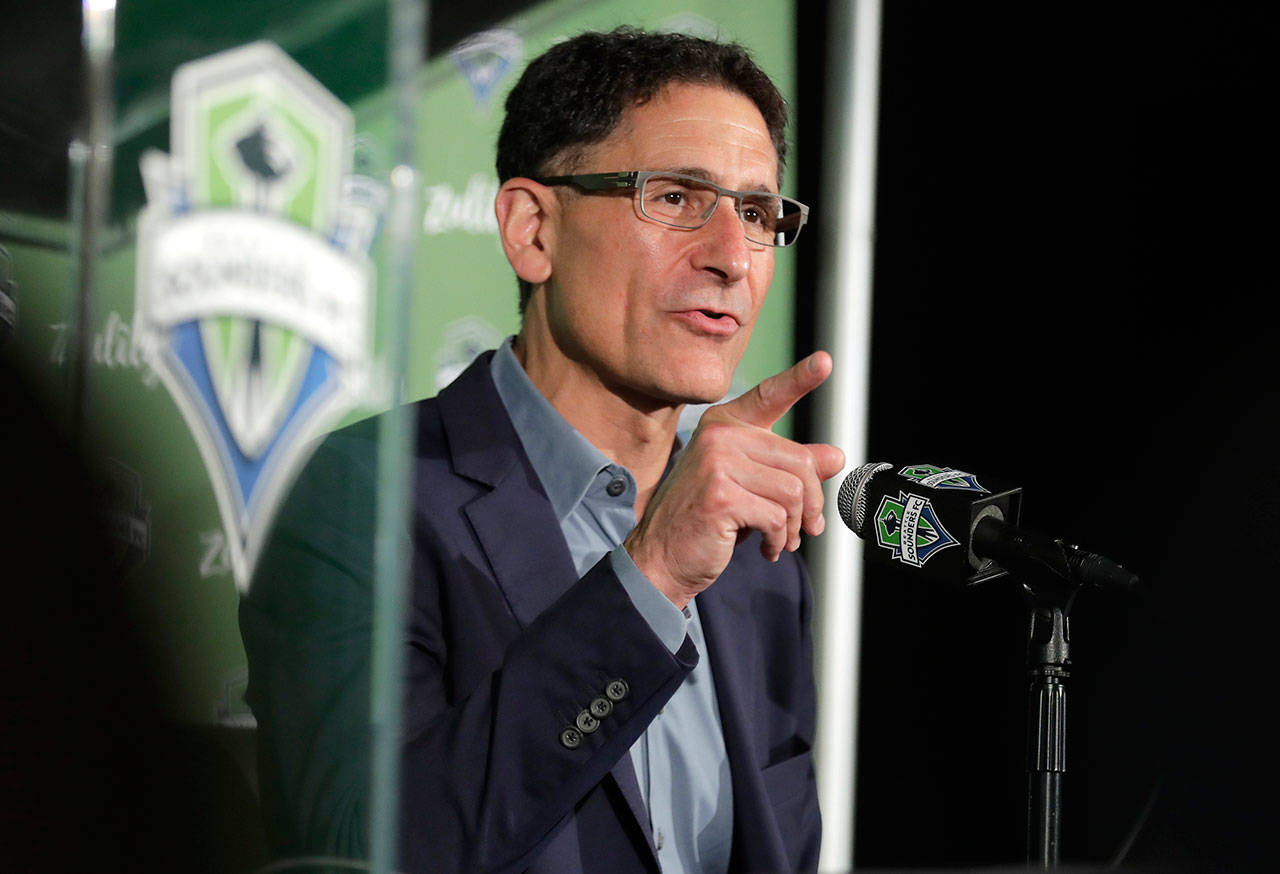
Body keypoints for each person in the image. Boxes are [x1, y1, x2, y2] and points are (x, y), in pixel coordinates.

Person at [241, 27, 844, 874]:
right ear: (533, 230)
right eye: (674, 198)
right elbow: (361, 847)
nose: (731, 258)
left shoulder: (754, 555)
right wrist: (650, 577)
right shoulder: (367, 501)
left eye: (755, 212)